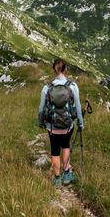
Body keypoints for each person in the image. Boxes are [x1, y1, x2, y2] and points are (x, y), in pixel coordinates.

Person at [38, 58, 84, 188]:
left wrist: (41, 122)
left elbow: (41, 109)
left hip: (52, 127)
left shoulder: (47, 87)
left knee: (54, 150)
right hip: (67, 126)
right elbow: (78, 107)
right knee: (66, 146)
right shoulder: (72, 86)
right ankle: (67, 174)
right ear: (66, 69)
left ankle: (57, 179)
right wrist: (80, 123)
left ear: (54, 70)